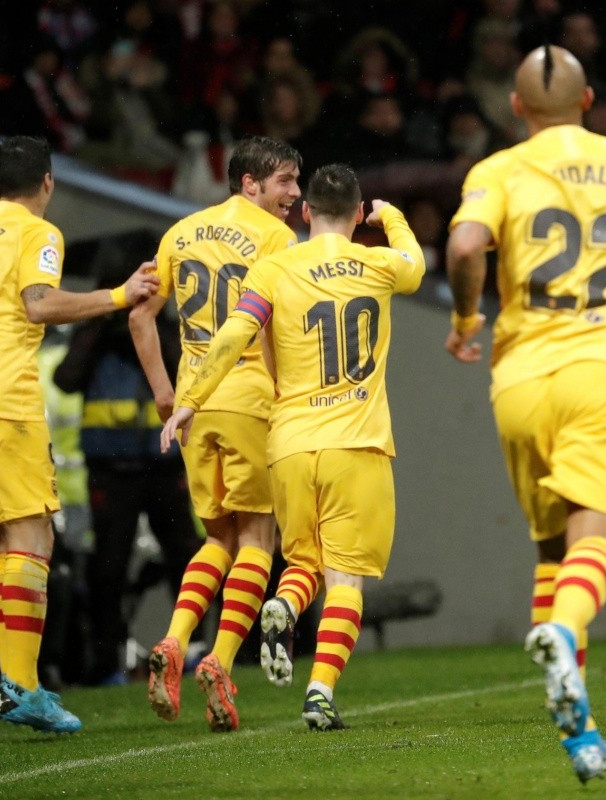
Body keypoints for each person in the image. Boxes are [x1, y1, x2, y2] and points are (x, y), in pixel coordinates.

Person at [444, 45, 606, 783]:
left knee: (554, 549)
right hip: (602, 372)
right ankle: (559, 632)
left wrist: (465, 318)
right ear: (589, 104)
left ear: (517, 108)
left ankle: (581, 730)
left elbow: (465, 245)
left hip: (519, 380)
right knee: (600, 535)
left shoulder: (497, 169)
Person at [161, 163, 425, 730]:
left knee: (302, 560)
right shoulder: (377, 264)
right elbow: (417, 268)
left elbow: (235, 333)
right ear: (357, 215)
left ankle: (283, 605)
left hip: (288, 444)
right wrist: (394, 218)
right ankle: (320, 693)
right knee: (347, 577)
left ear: (306, 213)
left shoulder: (275, 267)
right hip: (357, 442)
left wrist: (191, 397)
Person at [0, 135, 159, 733]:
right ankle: (22, 687)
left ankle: (12, 683)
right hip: (4, 402)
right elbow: (38, 304)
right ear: (48, 183)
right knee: (31, 539)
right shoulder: (38, 233)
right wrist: (118, 295)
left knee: (5, 541)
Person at [129, 135, 301, 732]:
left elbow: (139, 315)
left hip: (195, 409)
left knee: (217, 539)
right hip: (250, 400)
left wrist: (164, 394)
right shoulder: (278, 239)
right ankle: (221, 661)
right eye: (284, 181)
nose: (295, 193)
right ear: (249, 184)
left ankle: (176, 640)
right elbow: (274, 331)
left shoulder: (180, 233)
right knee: (259, 539)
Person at [52, 231, 203, 686]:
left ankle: (196, 648)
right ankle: (106, 660)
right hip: (111, 469)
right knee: (108, 570)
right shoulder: (94, 328)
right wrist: (105, 323)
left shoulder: (162, 323)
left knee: (186, 556)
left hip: (162, 463)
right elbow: (66, 378)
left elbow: (183, 367)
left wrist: (148, 326)